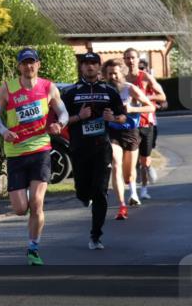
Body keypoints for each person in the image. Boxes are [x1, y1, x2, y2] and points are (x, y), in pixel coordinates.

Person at [0, 47, 68, 265]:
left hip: (40, 150)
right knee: (20, 209)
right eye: (24, 63)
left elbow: (63, 112)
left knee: (37, 202)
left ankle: (33, 248)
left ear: (38, 64)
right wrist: (4, 131)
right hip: (16, 152)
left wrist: (59, 124)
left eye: (32, 62)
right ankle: (24, 202)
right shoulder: (8, 88)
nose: (29, 66)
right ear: (19, 66)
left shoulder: (48, 87)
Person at [60, 52, 127, 250]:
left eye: (93, 63)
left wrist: (113, 119)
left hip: (102, 148)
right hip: (79, 148)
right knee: (82, 191)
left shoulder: (109, 91)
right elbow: (60, 121)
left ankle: (96, 235)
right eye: (86, 63)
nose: (90, 67)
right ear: (81, 67)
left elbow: (123, 117)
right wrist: (79, 117)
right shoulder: (71, 92)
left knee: (100, 191)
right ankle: (84, 196)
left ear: (99, 67)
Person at [102, 59, 155, 220]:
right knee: (115, 164)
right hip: (113, 132)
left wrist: (132, 109)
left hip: (131, 132)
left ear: (122, 73)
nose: (112, 77)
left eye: (115, 73)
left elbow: (151, 107)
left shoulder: (130, 89)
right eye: (109, 74)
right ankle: (122, 205)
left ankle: (132, 190)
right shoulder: (103, 91)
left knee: (128, 175)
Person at [123, 49, 167, 201]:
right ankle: (134, 193)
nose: (130, 61)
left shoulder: (145, 77)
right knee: (131, 160)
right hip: (130, 125)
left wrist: (145, 97)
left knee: (144, 159)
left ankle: (144, 186)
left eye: (133, 58)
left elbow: (162, 96)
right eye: (127, 58)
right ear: (124, 60)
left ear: (137, 59)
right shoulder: (123, 80)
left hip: (146, 123)